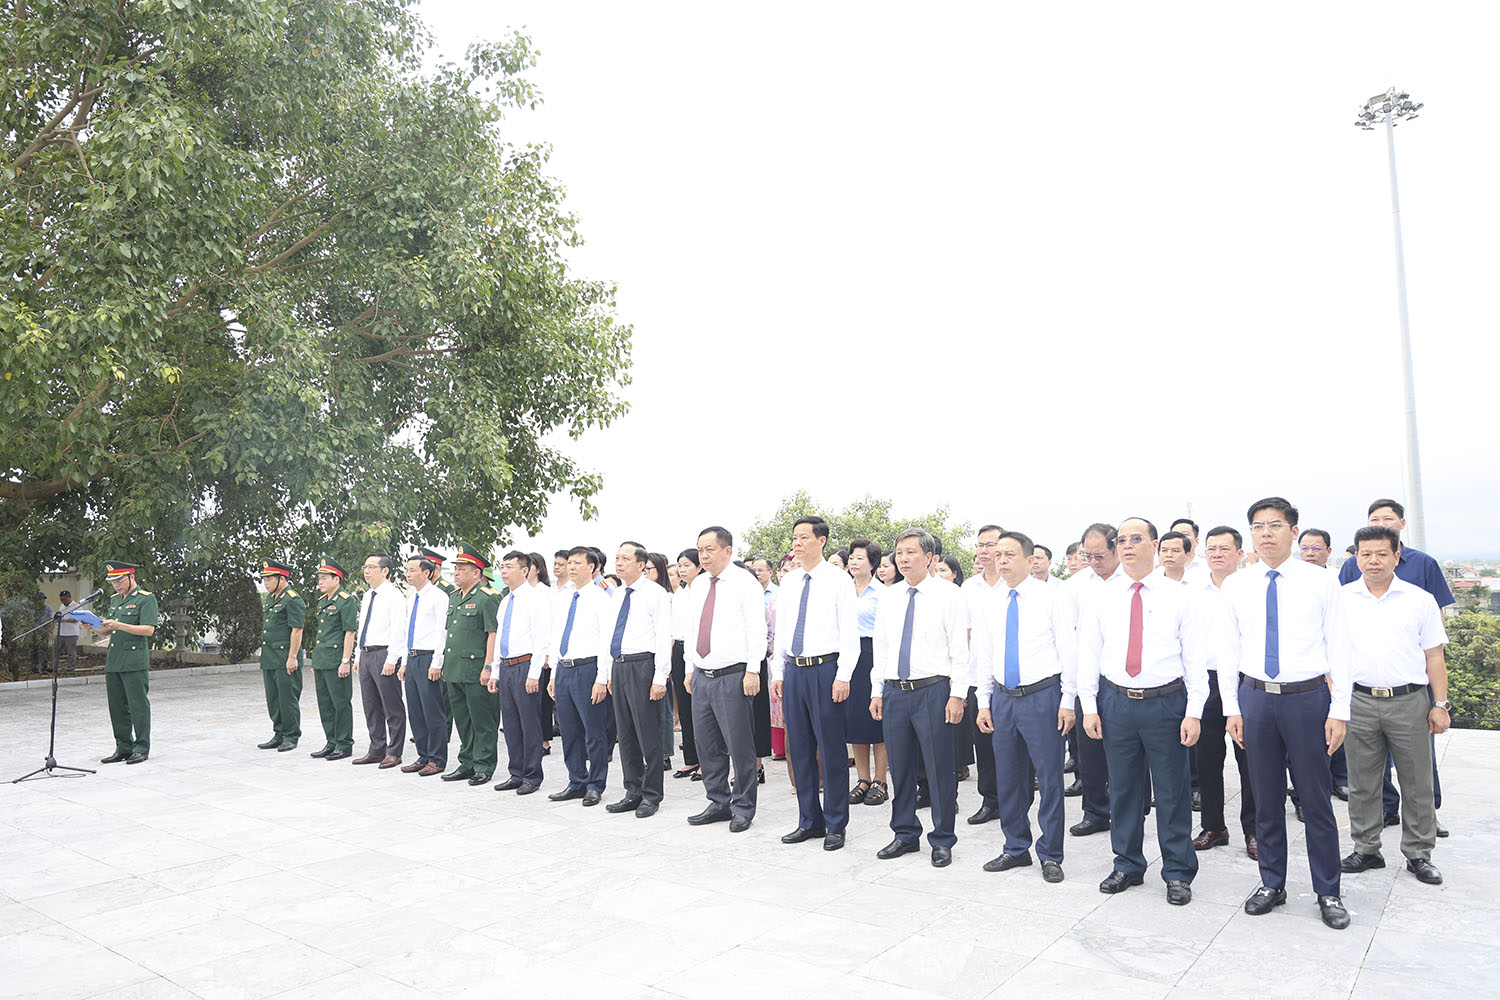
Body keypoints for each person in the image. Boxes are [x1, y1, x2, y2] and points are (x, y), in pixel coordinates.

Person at [1221, 497, 1352, 930]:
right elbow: (1228, 650)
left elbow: (1340, 648)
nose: (1266, 533)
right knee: (1265, 797)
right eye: (1258, 526)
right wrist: (1231, 707)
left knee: (1315, 799)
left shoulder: (1322, 580)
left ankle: (1328, 890)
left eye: (1275, 525)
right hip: (1256, 698)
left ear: (1294, 532)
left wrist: (1340, 709)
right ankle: (1271, 883)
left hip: (1307, 698)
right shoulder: (1237, 585)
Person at [1078, 518, 1206, 905]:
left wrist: (1194, 710)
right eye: (1122, 540)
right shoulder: (1102, 596)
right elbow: (1088, 653)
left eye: (1137, 538)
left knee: (1172, 792)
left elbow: (1195, 657)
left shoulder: (1179, 595)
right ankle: (1127, 864)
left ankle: (1178, 871)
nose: (1128, 545)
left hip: (1166, 703)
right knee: (1123, 789)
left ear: (1154, 544)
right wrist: (1089, 706)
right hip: (1116, 702)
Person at [1337, 525, 1448, 886]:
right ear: (1356, 557)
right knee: (1362, 781)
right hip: (1359, 701)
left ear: (1397, 556)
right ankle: (1366, 848)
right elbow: (1330, 653)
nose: (1374, 560)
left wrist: (1440, 704)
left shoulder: (1420, 600)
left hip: (1410, 701)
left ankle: (1419, 853)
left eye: (1382, 553)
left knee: (1417, 781)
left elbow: (1434, 656)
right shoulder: (1341, 599)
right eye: (1366, 553)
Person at [974, 531, 1077, 883]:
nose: (1001, 560)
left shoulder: (1052, 597)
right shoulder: (991, 600)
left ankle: (1050, 853)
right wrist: (984, 701)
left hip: (1042, 696)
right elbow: (984, 654)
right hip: (1003, 698)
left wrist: (1068, 700)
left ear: (1030, 560)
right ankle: (1015, 846)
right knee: (1009, 777)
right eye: (998, 554)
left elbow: (1068, 650)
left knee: (1049, 778)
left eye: (1009, 555)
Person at [871, 528, 969, 868]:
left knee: (939, 768)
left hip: (933, 690)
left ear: (929, 557)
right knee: (900, 767)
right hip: (895, 691)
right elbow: (882, 647)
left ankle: (942, 838)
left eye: (911, 552)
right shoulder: (889, 596)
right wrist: (877, 690)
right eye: (899, 552)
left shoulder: (948, 594)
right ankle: (905, 833)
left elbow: (960, 649)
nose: (903, 558)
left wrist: (957, 695)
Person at [772, 515, 860, 851]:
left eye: (804, 537)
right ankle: (809, 820)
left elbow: (849, 631)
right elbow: (782, 628)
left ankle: (836, 824)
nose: (797, 543)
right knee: (800, 748)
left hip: (826, 670)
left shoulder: (839, 580)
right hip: (794, 670)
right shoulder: (790, 581)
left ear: (821, 541)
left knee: (831, 749)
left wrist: (844, 675)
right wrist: (778, 672)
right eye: (794, 537)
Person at [683, 526, 767, 833]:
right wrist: (689, 667)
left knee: (739, 745)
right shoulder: (698, 585)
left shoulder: (745, 583)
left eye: (710, 549)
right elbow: (692, 628)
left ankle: (743, 806)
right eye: (700, 550)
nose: (703, 555)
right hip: (702, 674)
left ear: (727, 550)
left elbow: (756, 629)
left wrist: (753, 670)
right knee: (707, 744)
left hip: (733, 675)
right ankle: (718, 801)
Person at [1190, 526, 1257, 857]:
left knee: (1250, 759)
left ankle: (1254, 829)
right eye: (1211, 549)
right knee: (1207, 759)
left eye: (1224, 549)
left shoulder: (1252, 587)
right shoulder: (1193, 590)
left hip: (1245, 681)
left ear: (1239, 553)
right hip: (1205, 681)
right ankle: (1213, 825)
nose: (1217, 554)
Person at [602, 542, 674, 817]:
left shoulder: (655, 593)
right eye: (617, 558)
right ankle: (632, 790)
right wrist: (608, 672)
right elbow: (609, 635)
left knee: (648, 734)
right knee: (626, 734)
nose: (618, 563)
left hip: (643, 665)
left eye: (625, 558)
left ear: (641, 564)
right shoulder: (617, 594)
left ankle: (652, 794)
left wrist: (659, 677)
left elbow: (663, 635)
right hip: (620, 666)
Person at [1064, 524, 1120, 837]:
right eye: (1088, 556)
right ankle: (1096, 811)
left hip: (1124, 680)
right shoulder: (1076, 586)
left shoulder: (1131, 581)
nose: (1094, 562)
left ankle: (1131, 811)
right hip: (1086, 678)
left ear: (1116, 549)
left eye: (1100, 555)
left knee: (1128, 751)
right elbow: (1068, 637)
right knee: (1089, 750)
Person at [548, 546, 611, 806]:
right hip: (564, 668)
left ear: (592, 567)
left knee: (593, 731)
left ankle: (595, 784)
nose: (571, 567)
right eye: (569, 563)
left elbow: (606, 641)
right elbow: (556, 636)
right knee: (569, 730)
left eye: (577, 563)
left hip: (588, 669)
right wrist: (554, 673)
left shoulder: (601, 598)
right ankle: (576, 781)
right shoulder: (563, 597)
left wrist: (602, 678)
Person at [489, 550, 553, 793]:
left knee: (529, 724)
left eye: (509, 567)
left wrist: (534, 673)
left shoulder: (535, 599)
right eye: (502, 567)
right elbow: (499, 639)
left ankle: (532, 776)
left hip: (525, 666)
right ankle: (516, 773)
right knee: (511, 724)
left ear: (524, 571)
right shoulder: (505, 600)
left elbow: (541, 639)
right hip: (506, 667)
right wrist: (495, 671)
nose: (503, 571)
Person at [439, 544, 500, 786]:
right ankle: (467, 762)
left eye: (462, 569)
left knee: (482, 720)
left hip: (476, 670)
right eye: (456, 569)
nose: (456, 573)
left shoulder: (488, 598)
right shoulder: (454, 597)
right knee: (463, 720)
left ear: (476, 572)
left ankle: (484, 765)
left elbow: (492, 633)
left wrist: (488, 666)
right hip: (455, 668)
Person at [960, 525, 1007, 826]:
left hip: (1009, 679)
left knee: (1013, 745)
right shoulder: (969, 587)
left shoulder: (1014, 584)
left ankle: (1017, 799)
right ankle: (990, 801)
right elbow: (964, 633)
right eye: (980, 545)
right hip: (978, 677)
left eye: (991, 544)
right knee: (984, 743)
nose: (984, 550)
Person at [93, 562, 157, 764]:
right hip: (114, 660)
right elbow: (107, 630)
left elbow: (148, 630)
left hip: (134, 661)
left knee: (138, 706)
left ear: (132, 577)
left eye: (120, 580)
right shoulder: (115, 600)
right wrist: (91, 626)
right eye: (113, 582)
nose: (117, 585)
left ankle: (141, 748)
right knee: (117, 708)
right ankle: (123, 748)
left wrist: (119, 625)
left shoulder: (146, 599)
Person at [351, 552, 408, 768]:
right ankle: (377, 748)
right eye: (365, 567)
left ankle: (394, 751)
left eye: (371, 567)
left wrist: (392, 658)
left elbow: (399, 629)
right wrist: (358, 655)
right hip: (366, 654)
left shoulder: (394, 595)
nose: (366, 571)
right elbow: (362, 627)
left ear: (385, 571)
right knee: (371, 705)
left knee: (391, 705)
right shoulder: (368, 595)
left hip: (384, 654)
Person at [846, 539, 889, 807]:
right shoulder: (843, 590)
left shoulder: (883, 592)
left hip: (873, 653)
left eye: (859, 557)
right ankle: (862, 779)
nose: (853, 561)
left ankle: (880, 780)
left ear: (872, 563)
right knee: (854, 720)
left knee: (876, 719)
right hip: (848, 657)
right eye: (851, 557)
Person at [399, 553, 450, 776]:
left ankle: (437, 759)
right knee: (416, 710)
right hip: (412, 657)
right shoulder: (411, 597)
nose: (408, 574)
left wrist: (437, 662)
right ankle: (423, 755)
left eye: (413, 570)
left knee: (432, 711)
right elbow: (406, 632)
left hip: (429, 658)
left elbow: (442, 631)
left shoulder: (439, 597)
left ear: (427, 573)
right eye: (407, 570)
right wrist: (404, 662)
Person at [308, 557, 358, 761]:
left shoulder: (346, 600)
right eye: (319, 578)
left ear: (336, 579)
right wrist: (316, 661)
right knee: (325, 704)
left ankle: (344, 744)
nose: (320, 581)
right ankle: (331, 742)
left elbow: (349, 632)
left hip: (337, 660)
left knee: (340, 703)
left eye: (324, 578)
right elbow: (322, 633)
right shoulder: (322, 601)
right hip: (322, 659)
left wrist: (345, 661)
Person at [256, 561, 306, 752]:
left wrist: (292, 657)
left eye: (270, 579)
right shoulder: (271, 598)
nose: (266, 582)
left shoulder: (292, 599)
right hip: (270, 657)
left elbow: (297, 630)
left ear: (282, 579)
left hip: (285, 657)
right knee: (273, 699)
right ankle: (279, 733)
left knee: (287, 699)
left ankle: (291, 735)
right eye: (264, 579)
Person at [670, 548, 702, 780]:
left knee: (699, 709)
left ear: (699, 567)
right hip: (679, 648)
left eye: (687, 565)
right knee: (684, 706)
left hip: (698, 651)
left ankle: (705, 761)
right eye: (680, 565)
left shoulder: (703, 591)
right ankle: (691, 759)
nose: (682, 569)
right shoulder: (680, 593)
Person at [646, 551, 677, 773]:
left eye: (649, 569)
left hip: (666, 656)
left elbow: (669, 634)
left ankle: (664, 754)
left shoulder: (666, 596)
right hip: (645, 658)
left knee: (663, 709)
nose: (645, 573)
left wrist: (665, 665)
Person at [1168, 518, 1209, 586]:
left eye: (1185, 534)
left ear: (1196, 541)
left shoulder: (1208, 568)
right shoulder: (1160, 571)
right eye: (1175, 534)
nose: (1179, 538)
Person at [50, 590, 81, 674]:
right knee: (55, 651)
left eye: (64, 599)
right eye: (61, 600)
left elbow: (76, 619)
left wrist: (64, 620)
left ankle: (70, 668)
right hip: (61, 632)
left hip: (71, 633)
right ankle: (54, 668)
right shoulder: (62, 606)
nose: (63, 601)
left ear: (69, 598)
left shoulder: (76, 606)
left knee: (71, 652)